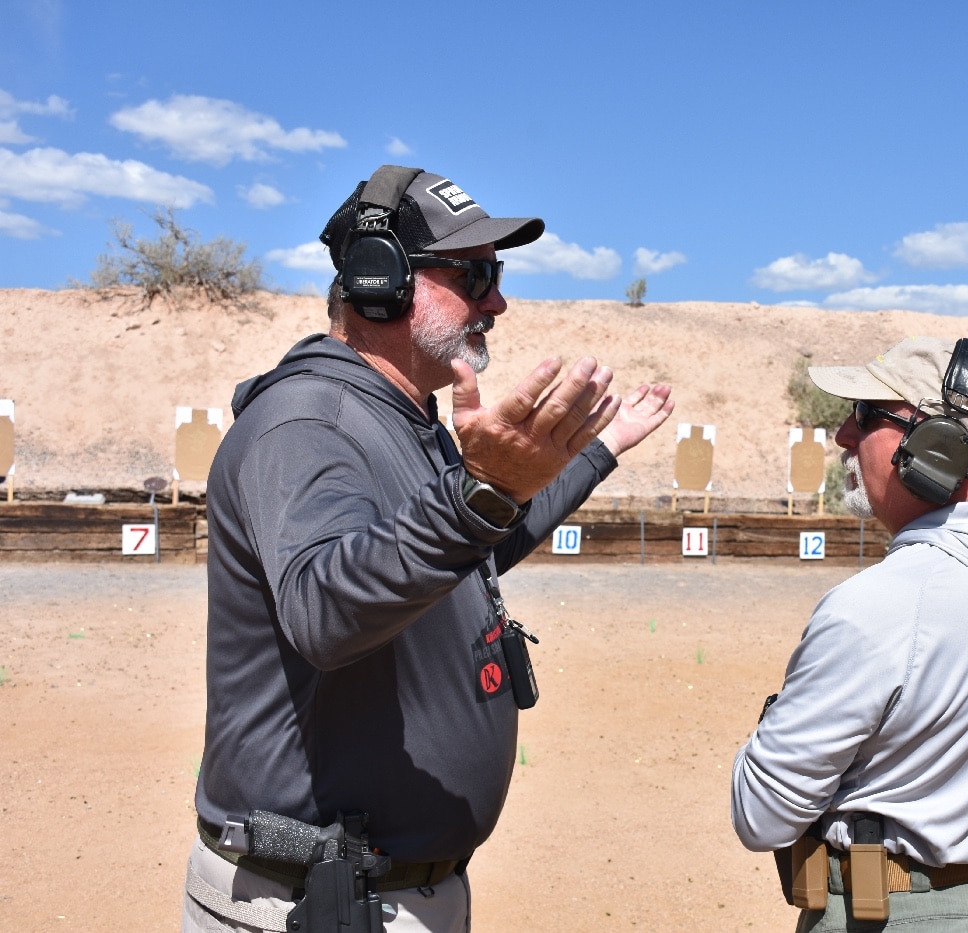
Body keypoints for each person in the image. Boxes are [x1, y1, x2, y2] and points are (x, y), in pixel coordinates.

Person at [182, 165, 673, 932]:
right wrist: (476, 493)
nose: (497, 301)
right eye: (474, 276)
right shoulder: (309, 421)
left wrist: (595, 451)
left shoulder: (403, 417)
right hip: (312, 903)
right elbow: (325, 608)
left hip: (378, 893)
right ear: (379, 281)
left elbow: (475, 539)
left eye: (496, 274)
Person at [731, 336, 968, 932]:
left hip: (903, 919)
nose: (844, 434)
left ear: (933, 449)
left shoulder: (882, 605)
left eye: (866, 415)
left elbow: (761, 815)